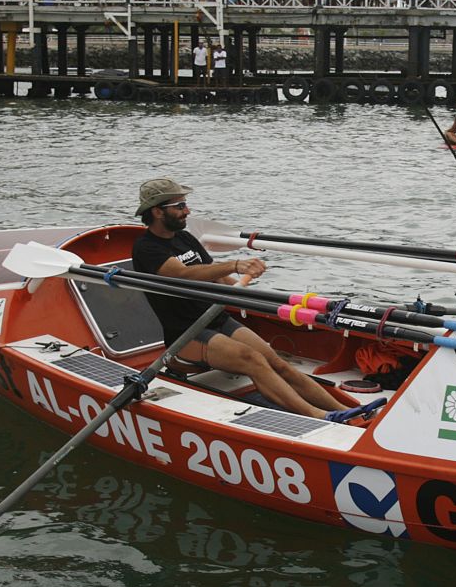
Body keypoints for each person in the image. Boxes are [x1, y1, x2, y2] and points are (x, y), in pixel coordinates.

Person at [129, 178, 372, 421]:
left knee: (276, 361)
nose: (188, 211)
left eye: (185, 204)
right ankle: (321, 416)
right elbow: (182, 274)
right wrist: (235, 264)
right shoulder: (146, 248)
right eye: (180, 206)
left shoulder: (185, 239)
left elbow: (216, 276)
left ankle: (349, 412)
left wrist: (253, 296)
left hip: (215, 319)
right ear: (158, 211)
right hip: (186, 333)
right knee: (253, 360)